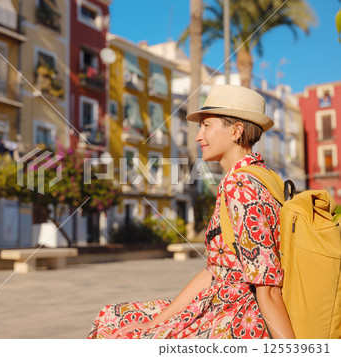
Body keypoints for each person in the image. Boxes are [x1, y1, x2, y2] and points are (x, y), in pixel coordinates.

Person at [87, 85, 295, 339]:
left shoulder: (241, 186)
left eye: (207, 125)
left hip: (237, 318)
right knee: (115, 316)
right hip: (221, 302)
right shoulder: (264, 177)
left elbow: (268, 289)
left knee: (115, 334)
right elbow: (214, 270)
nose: (198, 136)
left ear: (236, 131)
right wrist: (154, 322)